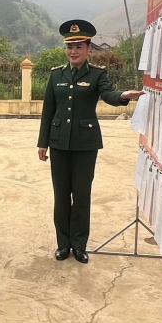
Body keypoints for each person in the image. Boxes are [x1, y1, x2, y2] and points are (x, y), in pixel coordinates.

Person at [37, 20, 143, 263]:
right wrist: (43, 143)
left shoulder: (97, 74)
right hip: (59, 143)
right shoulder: (56, 75)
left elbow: (108, 94)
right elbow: (48, 110)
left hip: (86, 145)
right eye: (70, 47)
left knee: (82, 195)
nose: (73, 52)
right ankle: (63, 244)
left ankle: (79, 244)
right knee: (61, 196)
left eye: (79, 47)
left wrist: (124, 96)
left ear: (88, 49)